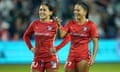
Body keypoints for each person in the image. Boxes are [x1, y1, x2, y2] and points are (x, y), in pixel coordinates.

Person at [56, 1, 98, 72]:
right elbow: (61, 35)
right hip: (71, 56)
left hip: (83, 57)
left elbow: (95, 43)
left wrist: (93, 57)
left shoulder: (91, 25)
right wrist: (59, 26)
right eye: (75, 10)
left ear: (85, 12)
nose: (75, 12)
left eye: (78, 10)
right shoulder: (70, 23)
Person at [23, 2, 59, 72]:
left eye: (44, 10)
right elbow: (26, 36)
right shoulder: (34, 24)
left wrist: (58, 48)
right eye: (40, 10)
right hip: (37, 58)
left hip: (50, 58)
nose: (41, 12)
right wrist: (30, 47)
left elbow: (67, 36)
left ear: (50, 13)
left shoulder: (55, 24)